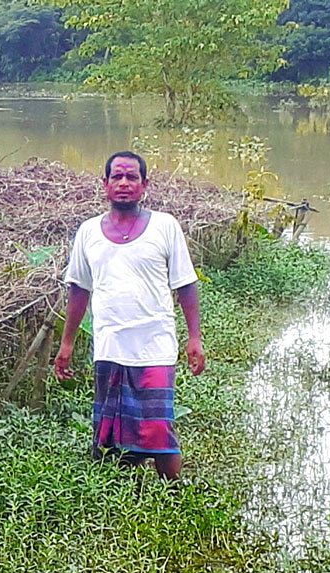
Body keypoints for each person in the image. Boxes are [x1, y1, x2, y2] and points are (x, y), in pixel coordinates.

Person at [53, 151, 204, 480]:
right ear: (105, 184)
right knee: (112, 430)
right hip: (110, 347)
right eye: (117, 177)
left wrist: (194, 338)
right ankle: (119, 494)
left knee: (158, 428)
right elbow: (79, 290)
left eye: (131, 177)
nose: (124, 183)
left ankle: (171, 497)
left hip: (155, 346)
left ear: (144, 185)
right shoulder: (88, 232)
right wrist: (66, 343)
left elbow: (186, 285)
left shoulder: (165, 226)